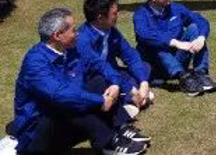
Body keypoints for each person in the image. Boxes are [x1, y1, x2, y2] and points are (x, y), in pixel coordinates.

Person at [8, 8, 150, 155]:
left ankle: (120, 127)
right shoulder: (35, 62)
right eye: (73, 30)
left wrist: (116, 84)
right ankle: (108, 142)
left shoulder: (73, 48)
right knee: (67, 103)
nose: (78, 33)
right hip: (39, 135)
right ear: (57, 35)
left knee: (100, 82)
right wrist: (100, 100)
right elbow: (60, 95)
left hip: (67, 123)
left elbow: (100, 65)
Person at [133, 0, 216, 97]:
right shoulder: (140, 15)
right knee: (155, 45)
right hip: (157, 64)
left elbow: (200, 20)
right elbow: (145, 35)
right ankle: (183, 78)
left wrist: (201, 37)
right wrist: (176, 43)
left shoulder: (176, 8)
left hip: (178, 57)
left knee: (194, 28)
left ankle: (201, 73)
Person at [77, 0, 153, 119]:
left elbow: (130, 55)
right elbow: (100, 68)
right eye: (114, 13)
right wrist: (131, 89)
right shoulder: (82, 39)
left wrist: (144, 82)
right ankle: (127, 100)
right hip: (94, 78)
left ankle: (132, 97)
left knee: (144, 67)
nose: (118, 15)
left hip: (113, 73)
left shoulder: (111, 31)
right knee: (103, 84)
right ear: (100, 18)